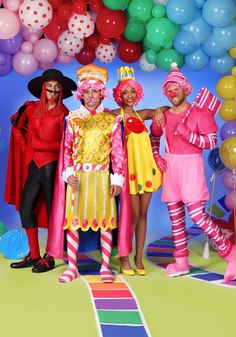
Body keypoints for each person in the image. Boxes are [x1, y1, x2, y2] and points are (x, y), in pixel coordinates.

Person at [150, 62, 236, 281]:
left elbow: (210, 142)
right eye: (169, 90)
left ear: (185, 89)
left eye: (176, 88)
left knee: (197, 215)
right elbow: (154, 136)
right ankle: (181, 262)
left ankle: (231, 254)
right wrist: (157, 156)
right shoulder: (163, 115)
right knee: (175, 216)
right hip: (171, 166)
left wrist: (188, 134)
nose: (172, 93)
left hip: (191, 166)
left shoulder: (200, 113)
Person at [47, 64, 126, 283]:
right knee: (73, 223)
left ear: (102, 93)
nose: (91, 96)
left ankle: (105, 266)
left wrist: (117, 178)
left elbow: (118, 152)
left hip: (101, 178)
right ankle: (72, 266)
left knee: (106, 222)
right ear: (81, 94)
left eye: (95, 91)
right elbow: (67, 149)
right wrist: (68, 173)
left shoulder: (112, 120)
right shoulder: (73, 119)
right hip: (78, 179)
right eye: (87, 91)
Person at [5, 69, 77, 273]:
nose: (53, 94)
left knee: (54, 211)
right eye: (49, 89)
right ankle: (34, 254)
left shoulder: (65, 114)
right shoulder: (31, 108)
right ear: (43, 89)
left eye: (57, 90)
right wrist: (26, 146)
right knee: (26, 208)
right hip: (34, 166)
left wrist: (38, 145)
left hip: (52, 167)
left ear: (61, 91)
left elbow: (66, 144)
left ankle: (50, 256)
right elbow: (17, 127)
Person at [112, 66, 166, 276]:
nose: (129, 95)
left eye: (132, 91)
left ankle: (138, 257)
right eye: (124, 92)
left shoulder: (142, 115)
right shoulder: (114, 115)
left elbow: (163, 108)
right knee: (131, 216)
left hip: (146, 171)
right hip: (128, 173)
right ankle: (125, 257)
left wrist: (160, 111)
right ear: (118, 95)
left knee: (143, 214)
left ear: (138, 93)